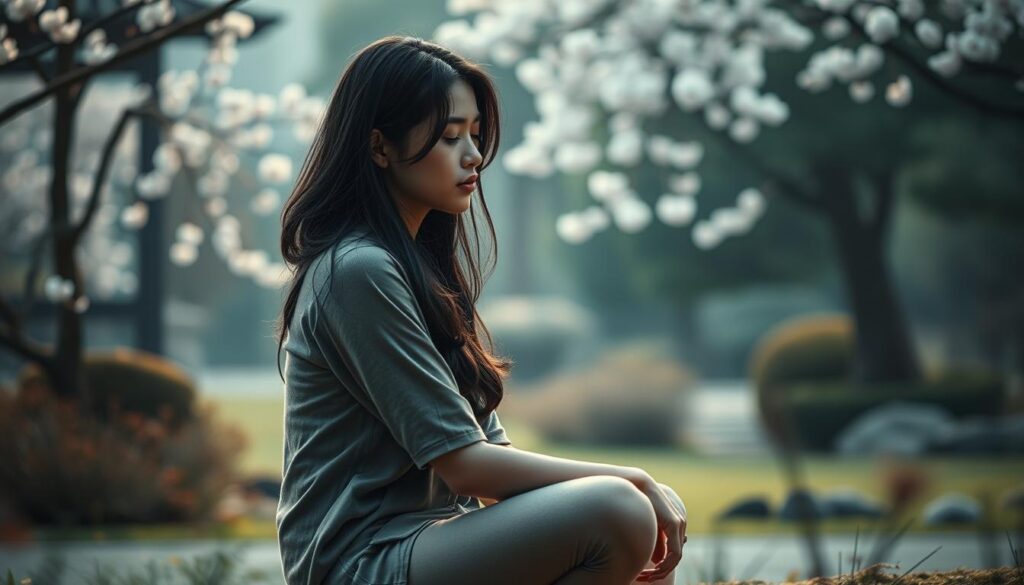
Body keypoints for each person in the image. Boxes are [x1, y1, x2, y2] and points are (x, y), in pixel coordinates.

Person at [274, 35, 688, 585]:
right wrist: (631, 479)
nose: (473, 155)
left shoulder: (415, 270)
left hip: (433, 541)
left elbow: (492, 465)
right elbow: (465, 464)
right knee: (620, 507)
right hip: (360, 563)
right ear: (380, 148)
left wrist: (635, 490)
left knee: (637, 511)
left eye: (474, 133)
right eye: (450, 137)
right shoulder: (356, 271)